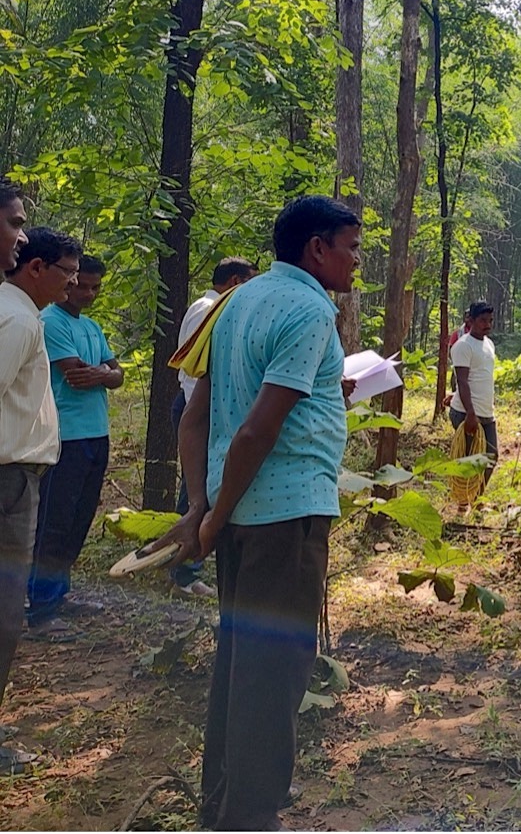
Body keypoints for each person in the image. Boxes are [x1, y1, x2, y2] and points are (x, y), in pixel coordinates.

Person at [154, 195, 361, 830]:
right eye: (351, 248)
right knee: (273, 674)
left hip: (241, 514)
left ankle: (223, 803)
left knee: (241, 661)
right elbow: (256, 431)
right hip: (285, 518)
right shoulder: (309, 310)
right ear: (317, 248)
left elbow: (195, 417)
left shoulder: (234, 304)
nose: (356, 261)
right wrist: (209, 520)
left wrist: (202, 505)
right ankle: (249, 816)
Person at [0, 220, 78, 775]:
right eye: (67, 273)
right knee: (5, 613)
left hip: (16, 480)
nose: (72, 284)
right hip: (7, 483)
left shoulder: (19, 313)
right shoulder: (18, 319)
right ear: (36, 269)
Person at [27, 254, 123, 635]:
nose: (88, 293)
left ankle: (59, 593)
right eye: (82, 285)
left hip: (96, 433)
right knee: (55, 521)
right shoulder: (51, 321)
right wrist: (105, 373)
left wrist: (105, 373)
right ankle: (41, 608)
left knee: (79, 519)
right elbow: (76, 375)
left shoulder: (92, 327)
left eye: (96, 287)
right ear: (69, 280)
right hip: (65, 436)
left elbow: (117, 375)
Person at [168, 256, 258, 597]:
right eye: (250, 282)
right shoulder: (208, 309)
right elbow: (198, 370)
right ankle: (184, 570)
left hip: (205, 407)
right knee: (197, 489)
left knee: (202, 484)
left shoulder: (215, 308)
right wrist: (206, 413)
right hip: (199, 407)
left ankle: (188, 563)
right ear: (235, 281)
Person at [449, 302, 497, 484]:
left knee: (491, 456)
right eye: (483, 320)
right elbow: (462, 381)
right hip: (466, 412)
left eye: (490, 320)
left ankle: (477, 496)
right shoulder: (463, 346)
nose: (487, 325)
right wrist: (470, 413)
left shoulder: (489, 344)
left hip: (486, 412)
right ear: (471, 320)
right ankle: (462, 496)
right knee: (470, 459)